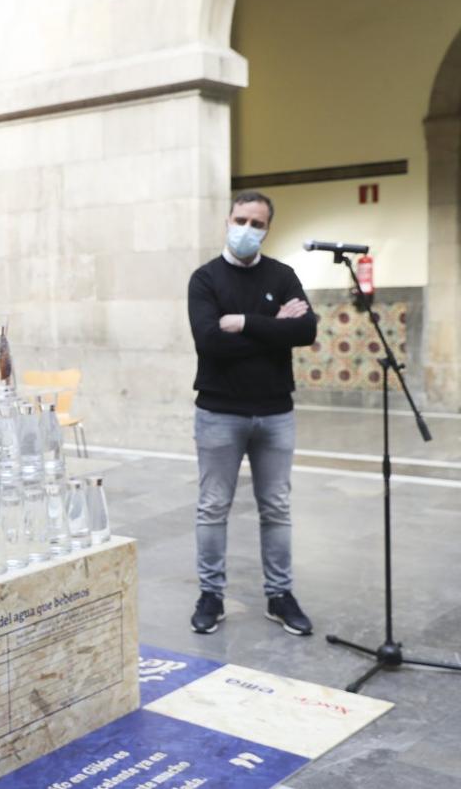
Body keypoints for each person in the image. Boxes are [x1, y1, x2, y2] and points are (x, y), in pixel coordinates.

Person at [186, 190, 317, 637]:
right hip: (220, 412)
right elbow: (209, 342)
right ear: (227, 220)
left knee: (277, 508)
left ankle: (280, 596)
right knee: (212, 507)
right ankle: (211, 594)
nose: (248, 230)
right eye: (241, 220)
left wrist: (243, 322)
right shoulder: (204, 279)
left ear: (267, 229)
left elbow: (306, 330)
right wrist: (273, 325)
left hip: (275, 412)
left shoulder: (283, 275)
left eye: (257, 224)